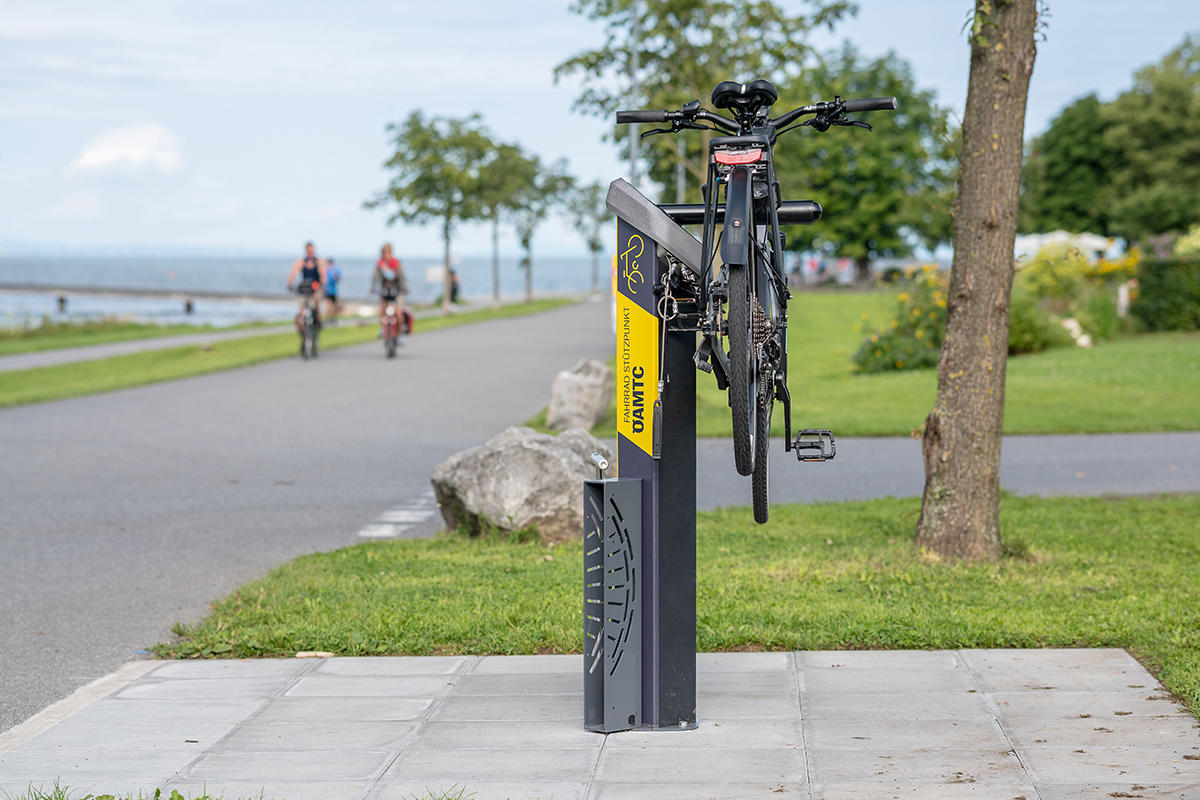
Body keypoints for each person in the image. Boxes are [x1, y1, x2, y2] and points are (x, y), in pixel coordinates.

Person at [286, 241, 327, 328]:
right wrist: (290, 284)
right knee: (301, 310)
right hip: (305, 288)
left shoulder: (318, 261)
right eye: (308, 251)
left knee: (316, 304)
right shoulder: (301, 261)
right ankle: (301, 331)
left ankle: (317, 321)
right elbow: (293, 273)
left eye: (311, 251)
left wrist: (322, 286)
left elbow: (323, 275)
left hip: (315, 287)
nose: (310, 252)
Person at [370, 243, 408, 334]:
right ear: (382, 254)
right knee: (382, 309)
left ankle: (400, 331)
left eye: (389, 253)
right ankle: (383, 328)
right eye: (385, 253)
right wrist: (373, 287)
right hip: (385, 290)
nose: (387, 255)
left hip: (396, 290)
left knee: (398, 312)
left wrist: (404, 287)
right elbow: (375, 277)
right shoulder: (380, 264)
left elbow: (402, 277)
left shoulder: (396, 263)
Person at [323, 257, 342, 323]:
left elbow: (338, 279)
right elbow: (323, 280)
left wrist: (336, 277)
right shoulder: (326, 270)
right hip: (327, 290)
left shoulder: (335, 270)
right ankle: (328, 319)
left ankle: (333, 319)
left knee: (334, 306)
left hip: (334, 291)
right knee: (328, 305)